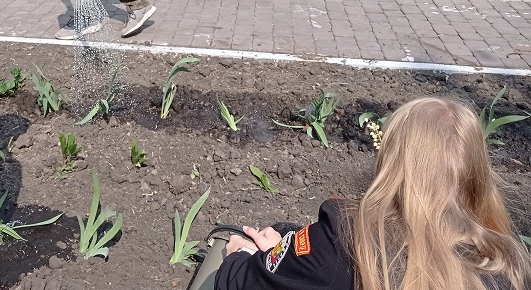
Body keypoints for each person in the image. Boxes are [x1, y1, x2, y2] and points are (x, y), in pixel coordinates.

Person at [215, 97, 531, 290]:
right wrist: (287, 256)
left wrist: (249, 258)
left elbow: (242, 283)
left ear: (392, 166)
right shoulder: (507, 265)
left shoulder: (346, 244)